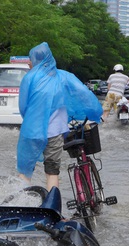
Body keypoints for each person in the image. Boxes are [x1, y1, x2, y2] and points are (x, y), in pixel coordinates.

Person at [17, 42, 102, 192]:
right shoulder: (64, 77)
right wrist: (95, 113)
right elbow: (84, 94)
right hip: (55, 132)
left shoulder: (29, 78)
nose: (29, 62)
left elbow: (23, 107)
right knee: (52, 171)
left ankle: (19, 204)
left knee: (25, 170)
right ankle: (53, 207)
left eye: (31, 59)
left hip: (32, 132)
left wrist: (32, 120)